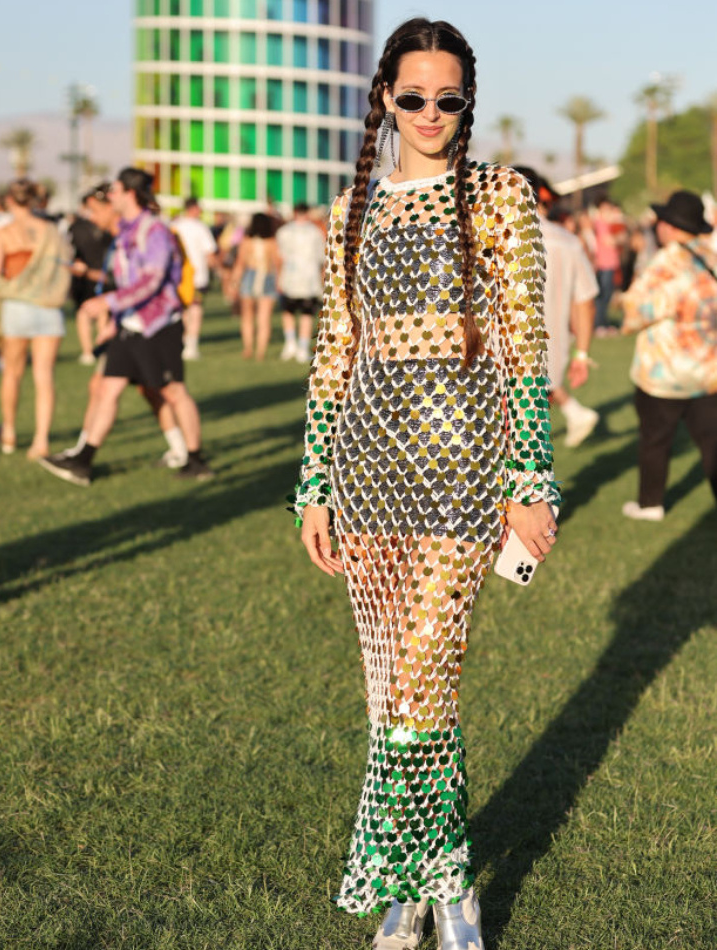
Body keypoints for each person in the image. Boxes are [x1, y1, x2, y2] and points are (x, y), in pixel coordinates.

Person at [293, 19, 559, 950]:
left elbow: (527, 350)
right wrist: (313, 485)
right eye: (415, 97)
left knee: (426, 686)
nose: (432, 113)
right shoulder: (350, 209)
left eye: (450, 99)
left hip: (461, 478)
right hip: (367, 472)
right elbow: (335, 352)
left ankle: (447, 895)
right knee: (389, 698)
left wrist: (531, 479)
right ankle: (416, 890)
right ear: (385, 100)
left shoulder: (498, 196)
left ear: (467, 103)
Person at [38, 167, 212, 486]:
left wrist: (109, 304)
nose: (110, 195)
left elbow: (152, 280)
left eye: (115, 190)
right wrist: (115, 321)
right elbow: (129, 279)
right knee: (106, 387)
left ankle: (196, 459)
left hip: (158, 325)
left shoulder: (154, 230)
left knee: (173, 392)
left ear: (131, 193)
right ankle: (83, 460)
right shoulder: (127, 231)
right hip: (130, 325)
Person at [620, 190, 717, 521]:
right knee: (712, 443)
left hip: (664, 373)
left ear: (671, 226)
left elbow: (635, 311)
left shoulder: (666, 261)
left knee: (655, 440)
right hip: (709, 371)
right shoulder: (712, 255)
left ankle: (651, 504)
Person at [0, 179, 71, 459]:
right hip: (48, 307)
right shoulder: (50, 231)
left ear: (10, 200)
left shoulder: (3, 233)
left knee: (12, 372)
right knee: (44, 376)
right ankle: (41, 440)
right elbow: (63, 268)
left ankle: (9, 431)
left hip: (16, 308)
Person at [515, 167, 600, 447]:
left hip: (500, 364)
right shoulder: (567, 241)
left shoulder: (490, 240)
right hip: (548, 362)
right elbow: (585, 301)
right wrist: (582, 353)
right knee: (530, 451)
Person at [68, 182, 117, 365]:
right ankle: (92, 350)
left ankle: (98, 348)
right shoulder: (78, 228)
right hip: (90, 282)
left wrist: (88, 272)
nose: (93, 217)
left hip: (102, 283)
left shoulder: (126, 237)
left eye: (95, 211)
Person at [276, 202, 325, 364]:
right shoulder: (315, 232)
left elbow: (279, 257)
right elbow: (321, 259)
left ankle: (290, 343)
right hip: (309, 279)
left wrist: (278, 277)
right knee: (306, 313)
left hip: (289, 276)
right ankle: (302, 347)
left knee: (288, 311)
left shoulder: (284, 231)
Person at [170, 196, 218, 360]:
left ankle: (181, 342)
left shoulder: (174, 225)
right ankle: (191, 345)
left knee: (182, 309)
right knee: (195, 309)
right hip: (197, 276)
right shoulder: (200, 227)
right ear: (194, 208)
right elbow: (210, 253)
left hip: (178, 275)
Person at [230, 212, 281, 360]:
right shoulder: (272, 242)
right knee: (264, 318)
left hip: (249, 277)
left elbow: (240, 263)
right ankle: (260, 352)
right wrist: (279, 281)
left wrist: (234, 281)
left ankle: (248, 348)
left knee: (247, 316)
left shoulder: (246, 241)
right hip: (268, 276)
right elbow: (277, 263)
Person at [592, 197, 624, 335]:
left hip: (610, 263)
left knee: (607, 297)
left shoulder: (608, 225)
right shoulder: (600, 224)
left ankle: (603, 323)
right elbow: (610, 241)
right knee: (602, 297)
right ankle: (599, 324)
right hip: (604, 264)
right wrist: (619, 238)